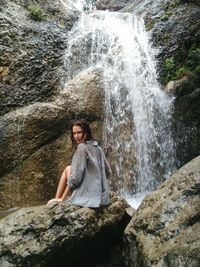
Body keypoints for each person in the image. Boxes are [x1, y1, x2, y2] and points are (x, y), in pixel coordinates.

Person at [47, 119, 111, 208]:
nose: (76, 136)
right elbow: (107, 171)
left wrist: (63, 198)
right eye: (74, 133)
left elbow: (75, 178)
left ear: (86, 132)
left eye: (79, 132)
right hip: (102, 198)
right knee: (69, 168)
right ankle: (57, 199)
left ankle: (58, 199)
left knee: (68, 169)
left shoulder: (82, 147)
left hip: (88, 197)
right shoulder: (97, 147)